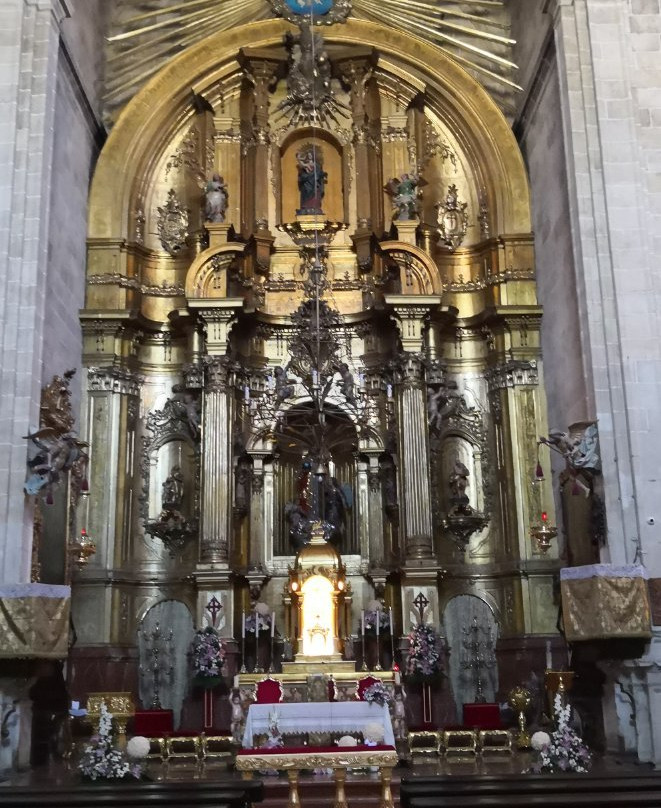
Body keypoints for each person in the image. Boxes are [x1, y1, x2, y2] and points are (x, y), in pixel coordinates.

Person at [296, 146, 327, 212]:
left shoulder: (317, 165)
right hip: (306, 185)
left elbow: (319, 174)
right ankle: (306, 209)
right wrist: (307, 176)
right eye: (309, 155)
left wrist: (322, 175)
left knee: (315, 194)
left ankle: (314, 208)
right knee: (306, 195)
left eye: (311, 155)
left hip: (315, 184)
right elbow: (301, 176)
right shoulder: (304, 165)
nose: (310, 156)